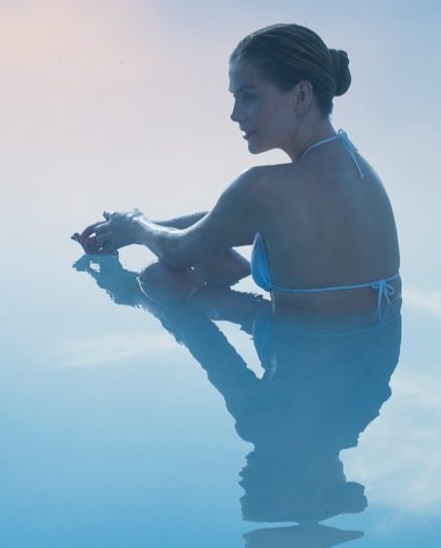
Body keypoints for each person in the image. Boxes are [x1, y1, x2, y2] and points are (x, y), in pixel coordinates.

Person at [72, 23, 401, 324]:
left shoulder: (262, 187)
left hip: (296, 362)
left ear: (301, 96)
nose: (235, 114)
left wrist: (136, 225)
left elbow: (177, 252)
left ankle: (140, 298)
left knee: (159, 278)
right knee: (210, 250)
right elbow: (224, 222)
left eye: (248, 97)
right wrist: (127, 232)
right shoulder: (357, 169)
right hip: (369, 356)